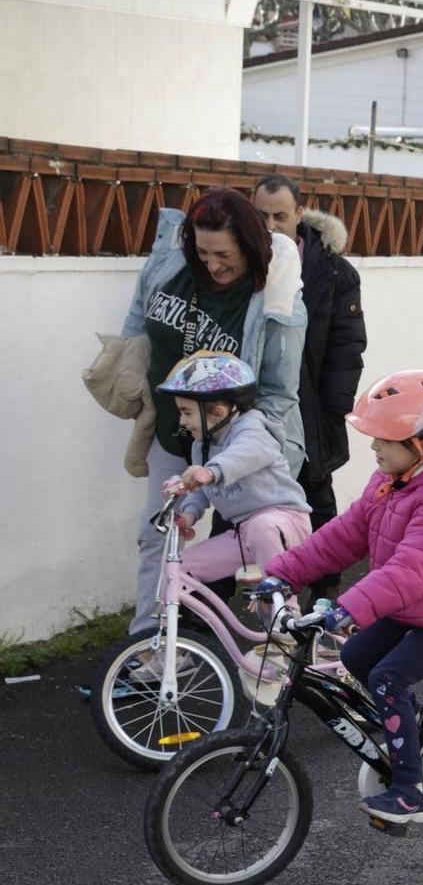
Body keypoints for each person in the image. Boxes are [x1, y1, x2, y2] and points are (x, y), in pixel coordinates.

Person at [263, 370, 423, 826]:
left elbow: (411, 569)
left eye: (383, 441)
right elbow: (340, 538)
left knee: (388, 677)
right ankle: (409, 731)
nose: (373, 449)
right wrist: (280, 574)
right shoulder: (390, 483)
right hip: (417, 609)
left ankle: (410, 791)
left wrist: (348, 608)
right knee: (357, 656)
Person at [121, 190, 306, 635]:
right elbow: (139, 313)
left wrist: (244, 446)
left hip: (234, 438)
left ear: (248, 244)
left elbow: (280, 390)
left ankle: (284, 640)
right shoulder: (174, 266)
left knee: (257, 553)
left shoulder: (274, 297)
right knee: (159, 536)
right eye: (202, 252)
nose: (213, 264)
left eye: (224, 254)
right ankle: (150, 647)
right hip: (174, 428)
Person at [252, 177, 368, 583]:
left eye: (280, 216)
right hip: (254, 407)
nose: (270, 226)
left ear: (299, 214)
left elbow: (347, 345)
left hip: (313, 408)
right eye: (261, 215)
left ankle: (326, 593)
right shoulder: (243, 262)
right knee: (243, 499)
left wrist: (334, 409)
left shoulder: (333, 271)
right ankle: (204, 615)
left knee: (316, 496)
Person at [159, 352, 311, 580]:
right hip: (244, 534)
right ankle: (179, 616)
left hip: (285, 523)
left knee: (263, 529)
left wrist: (210, 472)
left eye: (186, 412)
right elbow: (200, 491)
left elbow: (245, 453)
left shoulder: (252, 428)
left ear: (218, 412)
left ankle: (284, 609)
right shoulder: (201, 446)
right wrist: (188, 516)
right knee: (179, 568)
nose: (182, 421)